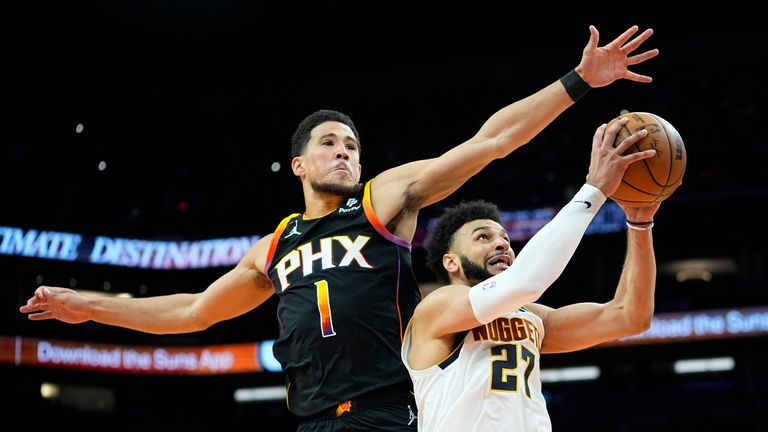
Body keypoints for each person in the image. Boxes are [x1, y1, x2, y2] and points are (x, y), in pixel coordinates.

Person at [20, 25, 658, 431]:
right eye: (330, 144)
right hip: (314, 419)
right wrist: (89, 307)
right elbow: (190, 311)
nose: (346, 152)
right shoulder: (275, 245)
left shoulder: (381, 202)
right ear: (299, 163)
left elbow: (488, 142)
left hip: (385, 412)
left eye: (352, 144)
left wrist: (577, 83)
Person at [401, 119, 660, 432]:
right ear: (451, 262)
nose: (501, 243)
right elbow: (522, 284)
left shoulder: (531, 318)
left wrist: (640, 222)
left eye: (505, 239)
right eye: (483, 237)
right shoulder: (437, 308)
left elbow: (630, 316)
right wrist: (594, 190)